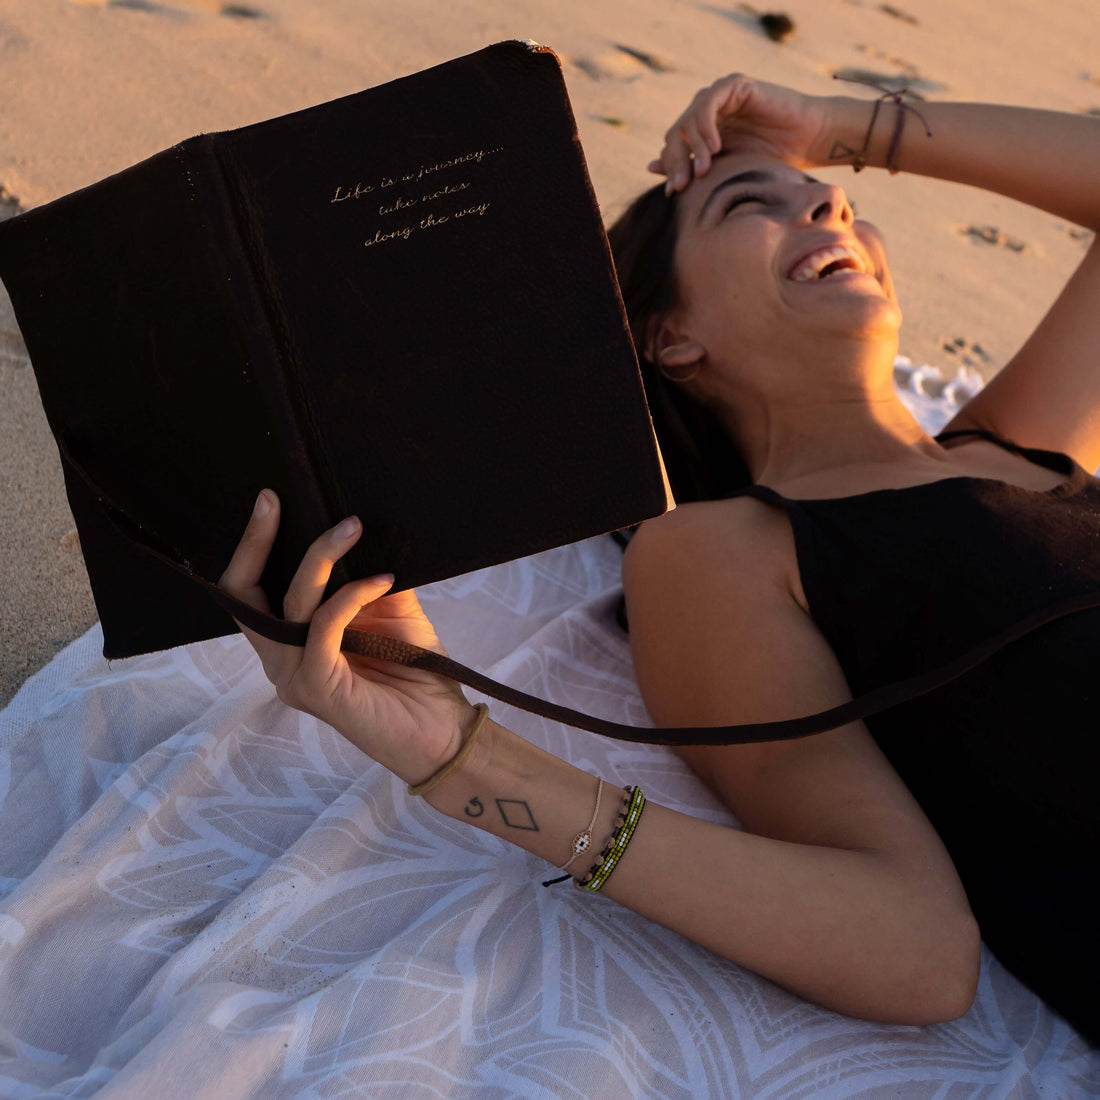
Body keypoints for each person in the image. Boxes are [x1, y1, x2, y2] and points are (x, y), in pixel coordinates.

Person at [217, 73, 1100, 1042]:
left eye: (838, 198)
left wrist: (839, 125)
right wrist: (456, 754)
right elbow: (913, 948)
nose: (821, 200)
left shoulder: (1021, 451)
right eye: (747, 204)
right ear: (667, 337)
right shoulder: (724, 550)